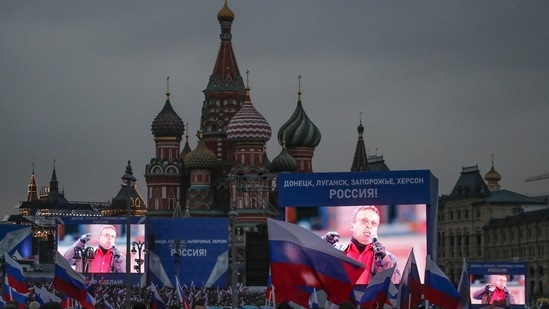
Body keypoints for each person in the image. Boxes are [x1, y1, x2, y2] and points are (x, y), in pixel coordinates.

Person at [323, 205, 401, 284]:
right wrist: (320, 247)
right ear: (352, 226)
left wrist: (384, 262)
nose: (369, 226)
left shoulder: (389, 259)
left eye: (374, 223)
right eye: (364, 221)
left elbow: (395, 287)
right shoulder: (335, 253)